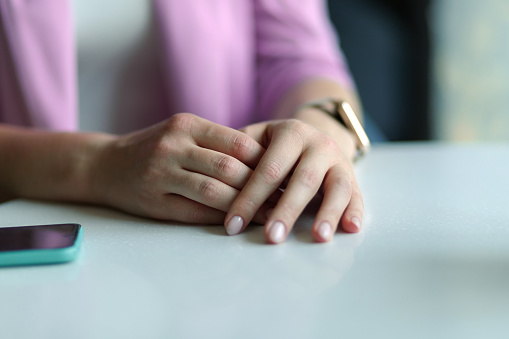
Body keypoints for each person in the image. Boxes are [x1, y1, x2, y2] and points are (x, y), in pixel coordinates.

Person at [0, 0, 365, 244]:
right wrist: (96, 165)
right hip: (33, 222)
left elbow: (298, 57)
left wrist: (320, 127)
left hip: (212, 240)